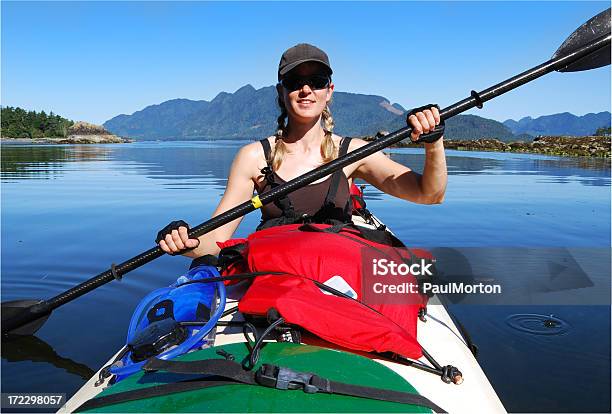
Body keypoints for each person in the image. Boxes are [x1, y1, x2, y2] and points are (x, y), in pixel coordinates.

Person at [157, 43, 447, 257]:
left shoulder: (354, 152)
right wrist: (186, 242)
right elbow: (216, 239)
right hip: (278, 276)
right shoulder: (254, 157)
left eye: (316, 81)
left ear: (329, 91)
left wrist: (433, 142)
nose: (306, 89)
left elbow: (429, 194)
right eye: (295, 82)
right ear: (281, 92)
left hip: (337, 275)